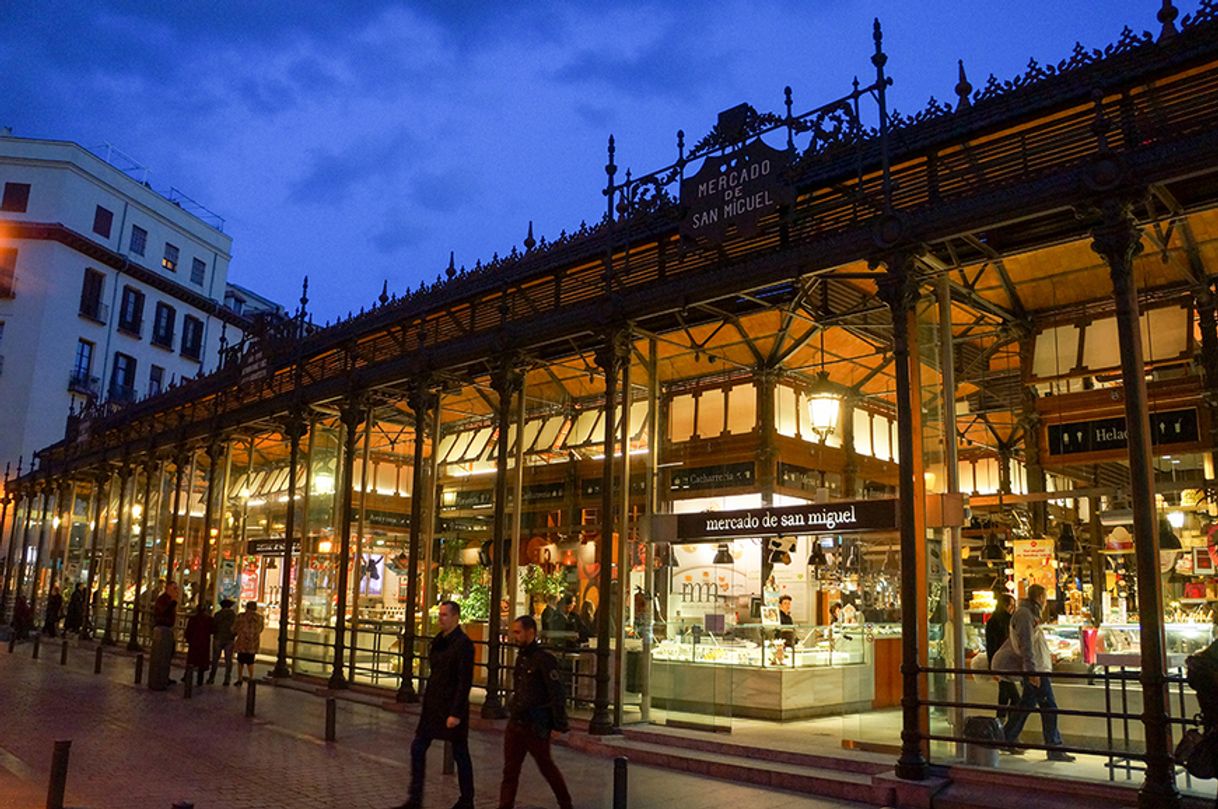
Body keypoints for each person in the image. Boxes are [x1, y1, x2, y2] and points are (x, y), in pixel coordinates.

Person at [391, 600, 474, 809]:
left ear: (456, 617)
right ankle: (415, 797)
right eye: (440, 615)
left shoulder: (463, 644)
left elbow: (464, 681)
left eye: (445, 615)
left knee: (460, 753)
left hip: (451, 706)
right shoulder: (439, 641)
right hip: (434, 704)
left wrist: (456, 712)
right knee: (418, 747)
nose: (441, 620)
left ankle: (467, 800)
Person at [994, 583, 1076, 762]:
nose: (1046, 603)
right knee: (1050, 707)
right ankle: (1053, 747)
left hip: (1036, 668)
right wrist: (1032, 672)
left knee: (1027, 704)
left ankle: (1006, 737)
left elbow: (1031, 644)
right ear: (1040, 598)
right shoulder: (1025, 615)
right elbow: (1027, 646)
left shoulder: (1028, 614)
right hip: (1036, 670)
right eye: (1045, 599)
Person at [498, 614, 573, 809]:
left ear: (530, 632)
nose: (515, 636)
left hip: (535, 724)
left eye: (518, 632)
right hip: (517, 721)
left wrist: (559, 723)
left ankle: (566, 803)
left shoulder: (544, 659)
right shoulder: (522, 658)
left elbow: (556, 691)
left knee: (546, 766)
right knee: (510, 770)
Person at [985, 593, 1019, 722]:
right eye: (1011, 605)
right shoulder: (1008, 621)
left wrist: (992, 666)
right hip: (1005, 664)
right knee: (1016, 698)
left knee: (1004, 695)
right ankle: (1010, 726)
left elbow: (990, 646)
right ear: (1006, 605)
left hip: (999, 664)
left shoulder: (992, 621)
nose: (1013, 608)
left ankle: (999, 723)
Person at [149, 581, 180, 690]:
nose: (176, 591)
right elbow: (163, 612)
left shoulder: (168, 600)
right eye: (174, 588)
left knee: (168, 654)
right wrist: (173, 603)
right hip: (163, 627)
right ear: (168, 589)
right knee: (162, 653)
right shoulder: (163, 599)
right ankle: (160, 677)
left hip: (167, 628)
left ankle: (164, 675)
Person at [232, 600, 264, 686]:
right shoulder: (259, 618)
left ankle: (240, 678)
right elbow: (261, 629)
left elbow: (234, 628)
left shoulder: (241, 616)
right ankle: (251, 677)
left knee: (240, 661)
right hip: (253, 643)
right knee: (250, 661)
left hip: (242, 642)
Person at [208, 598, 237, 685]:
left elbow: (213, 626)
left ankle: (212, 677)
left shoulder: (217, 614)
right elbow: (236, 627)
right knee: (228, 660)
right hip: (229, 639)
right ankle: (227, 679)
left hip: (218, 637)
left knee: (215, 659)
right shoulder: (233, 615)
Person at [184, 603, 214, 686]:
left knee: (191, 660)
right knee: (201, 663)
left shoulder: (193, 619)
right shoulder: (209, 619)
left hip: (194, 642)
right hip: (204, 643)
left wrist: (187, 639)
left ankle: (187, 676)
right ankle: (199, 680)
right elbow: (212, 630)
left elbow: (188, 631)